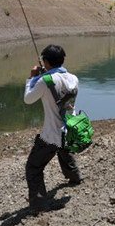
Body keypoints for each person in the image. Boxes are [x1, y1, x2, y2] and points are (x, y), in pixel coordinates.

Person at [23, 44, 82, 207]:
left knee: (33, 167)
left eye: (43, 60)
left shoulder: (43, 80)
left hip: (51, 133)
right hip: (69, 128)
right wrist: (44, 76)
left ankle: (40, 203)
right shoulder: (74, 78)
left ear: (47, 62)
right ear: (62, 60)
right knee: (63, 149)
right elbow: (57, 86)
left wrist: (32, 78)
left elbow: (28, 99)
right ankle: (75, 177)